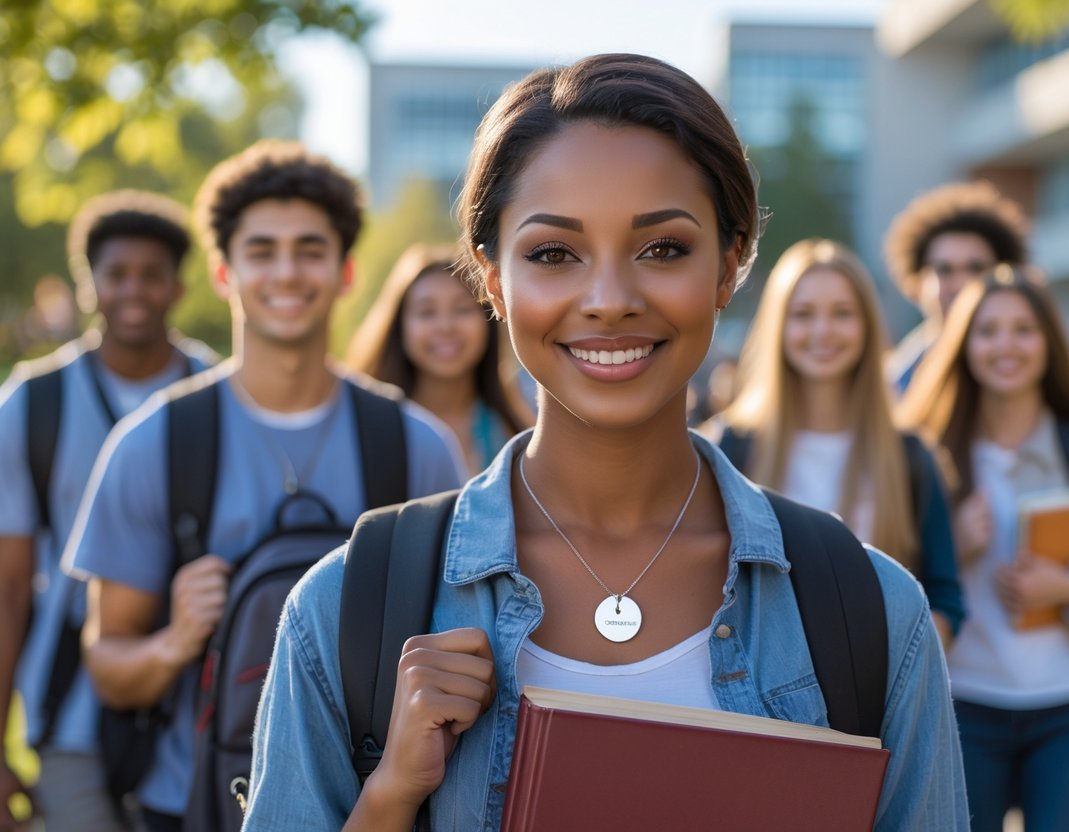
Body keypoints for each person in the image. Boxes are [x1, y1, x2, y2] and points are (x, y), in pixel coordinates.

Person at [242, 54, 967, 831]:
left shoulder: (871, 614)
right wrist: (388, 796)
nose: (611, 300)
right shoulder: (347, 607)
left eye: (662, 249)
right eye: (553, 254)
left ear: (729, 266)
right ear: (492, 281)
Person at [61, 141, 466, 831]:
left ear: (343, 272)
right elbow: (108, 664)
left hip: (369, 807)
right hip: (188, 805)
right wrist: (175, 639)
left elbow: (457, 652)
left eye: (310, 250)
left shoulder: (415, 445)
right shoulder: (152, 444)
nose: (286, 271)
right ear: (224, 271)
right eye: (262, 250)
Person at [899, 265, 1069, 831]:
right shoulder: (923, 458)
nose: (1006, 345)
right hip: (962, 708)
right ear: (964, 344)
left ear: (1048, 342)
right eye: (988, 330)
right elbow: (887, 582)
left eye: (1023, 329)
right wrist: (953, 547)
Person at [0, 190, 216, 831]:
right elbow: (9, 589)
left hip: (197, 712)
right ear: (87, 283)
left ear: (179, 287)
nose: (134, 291)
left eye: (153, 275)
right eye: (116, 274)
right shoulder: (32, 406)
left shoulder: (219, 397)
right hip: (69, 714)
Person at [711, 238, 965, 647]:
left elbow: (945, 598)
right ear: (778, 326)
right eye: (804, 314)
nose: (823, 331)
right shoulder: (731, 446)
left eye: (842, 313)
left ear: (867, 326)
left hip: (875, 696)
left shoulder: (910, 455)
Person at [345, 243, 533, 474]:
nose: (445, 327)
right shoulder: (362, 427)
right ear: (399, 326)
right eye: (427, 312)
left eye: (463, 309)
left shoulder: (521, 435)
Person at [884, 181, 1028, 392]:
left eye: (976, 268)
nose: (962, 285)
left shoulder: (1031, 366)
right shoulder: (893, 382)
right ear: (916, 283)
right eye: (945, 270)